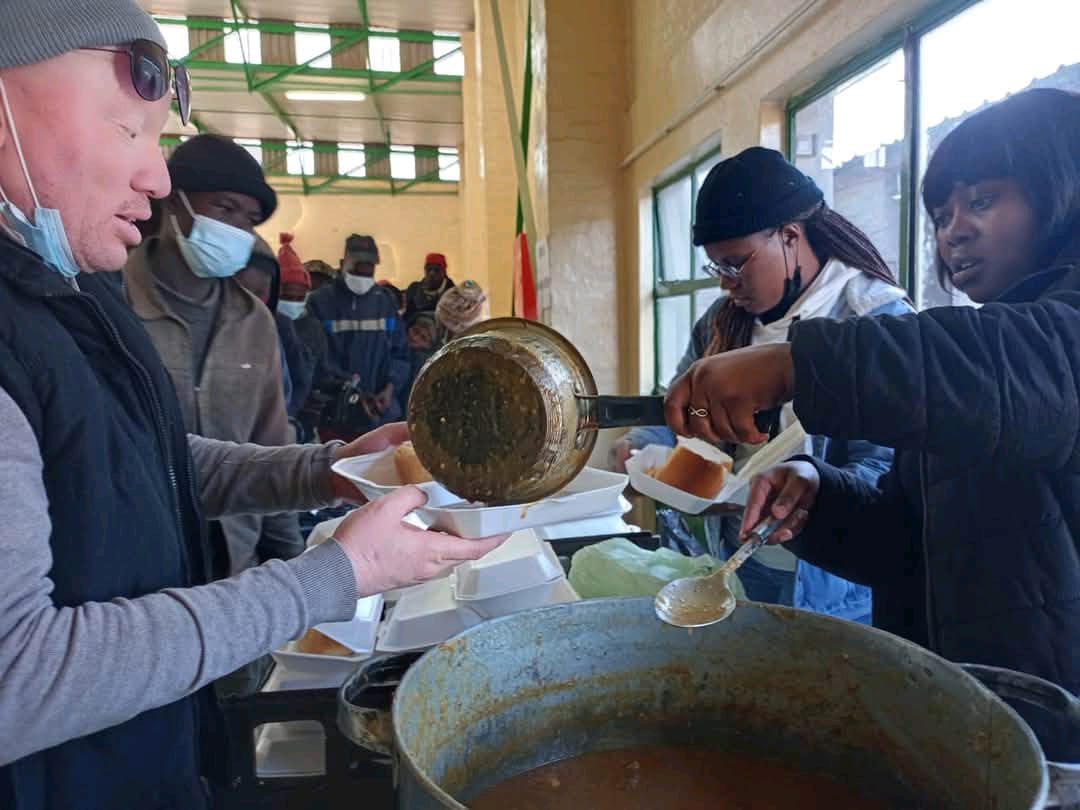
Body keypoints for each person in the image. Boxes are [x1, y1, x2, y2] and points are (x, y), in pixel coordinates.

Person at [0, 7, 506, 807]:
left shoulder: (72, 297)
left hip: (148, 748)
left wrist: (330, 469)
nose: (156, 179)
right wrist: (334, 576)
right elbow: (17, 677)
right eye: (128, 130)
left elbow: (147, 464)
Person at [666, 89, 1080, 759]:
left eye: (981, 201)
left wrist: (796, 365)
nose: (954, 231)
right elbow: (914, 543)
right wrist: (820, 497)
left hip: (1053, 739)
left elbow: (1028, 364)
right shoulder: (968, 366)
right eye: (941, 214)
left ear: (1062, 193)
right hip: (964, 715)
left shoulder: (1014, 351)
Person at [614, 147, 911, 621]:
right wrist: (645, 445)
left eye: (735, 264)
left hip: (831, 586)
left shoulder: (874, 324)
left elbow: (888, 473)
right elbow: (691, 412)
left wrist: (807, 488)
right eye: (717, 268)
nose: (725, 284)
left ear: (790, 236)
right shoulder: (722, 324)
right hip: (738, 557)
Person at [124, 136, 305, 589]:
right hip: (136, 561)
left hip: (231, 562)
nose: (238, 229)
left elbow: (272, 444)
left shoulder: (253, 322)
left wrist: (290, 558)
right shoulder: (112, 303)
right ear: (174, 202)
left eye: (249, 219)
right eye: (225, 209)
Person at [307, 233, 410, 441]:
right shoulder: (321, 302)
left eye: (368, 271)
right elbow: (316, 359)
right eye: (357, 269)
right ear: (342, 264)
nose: (362, 277)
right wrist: (351, 393)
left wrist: (390, 388)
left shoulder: (384, 301)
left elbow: (400, 353)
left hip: (381, 413)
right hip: (337, 415)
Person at [236, 234, 315, 425]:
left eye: (260, 292)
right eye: (245, 291)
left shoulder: (279, 325)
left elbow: (298, 382)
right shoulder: (216, 322)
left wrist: (283, 422)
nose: (252, 301)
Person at [405, 251, 455, 321]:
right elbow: (406, 318)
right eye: (429, 269)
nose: (431, 273)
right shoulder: (414, 290)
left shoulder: (454, 294)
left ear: (444, 272)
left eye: (436, 270)